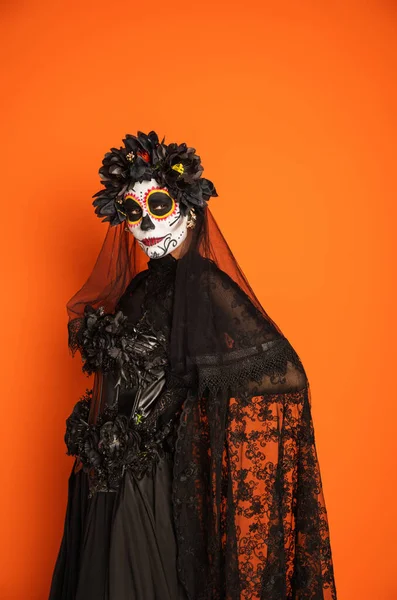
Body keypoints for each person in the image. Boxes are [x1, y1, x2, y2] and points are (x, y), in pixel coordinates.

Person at [49, 130, 337, 600]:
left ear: (187, 205)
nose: (145, 223)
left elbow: (287, 373)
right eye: (131, 211)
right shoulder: (139, 288)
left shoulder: (205, 283)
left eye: (157, 205)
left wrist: (188, 412)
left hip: (147, 476)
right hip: (105, 475)